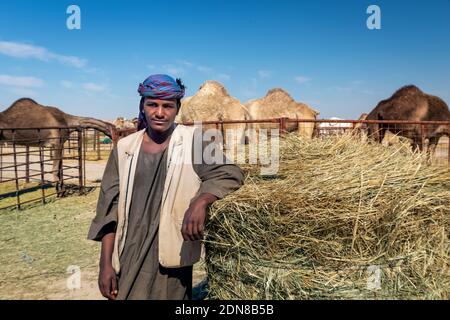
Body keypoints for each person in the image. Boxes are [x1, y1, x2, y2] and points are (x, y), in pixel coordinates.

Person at [87, 74, 244, 300]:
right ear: (142, 106)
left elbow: (229, 173)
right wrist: (105, 265)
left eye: (167, 106)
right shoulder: (124, 148)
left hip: (171, 259)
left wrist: (201, 201)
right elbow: (108, 211)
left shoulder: (193, 141)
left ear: (177, 108)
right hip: (127, 255)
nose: (160, 112)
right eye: (152, 104)